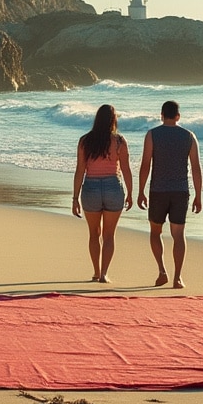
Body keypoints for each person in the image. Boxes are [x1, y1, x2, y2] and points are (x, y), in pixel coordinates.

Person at [137, 100, 202, 289]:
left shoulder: (152, 135)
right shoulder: (189, 136)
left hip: (158, 191)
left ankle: (162, 271)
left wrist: (140, 191)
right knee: (178, 235)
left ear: (161, 115)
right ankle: (178, 278)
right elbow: (196, 168)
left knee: (155, 232)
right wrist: (198, 195)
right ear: (178, 116)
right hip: (180, 192)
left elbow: (145, 164)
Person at [71, 104, 134, 283]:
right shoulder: (119, 141)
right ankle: (105, 274)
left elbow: (80, 170)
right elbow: (126, 169)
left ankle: (96, 271)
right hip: (113, 187)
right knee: (109, 235)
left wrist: (75, 198)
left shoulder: (85, 141)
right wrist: (130, 192)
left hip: (90, 187)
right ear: (114, 120)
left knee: (93, 234)